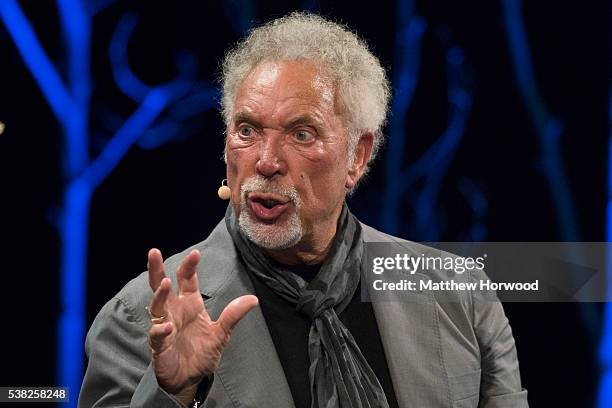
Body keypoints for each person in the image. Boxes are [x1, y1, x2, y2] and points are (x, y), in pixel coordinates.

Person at [78, 12, 528, 408]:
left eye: (302, 134)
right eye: (247, 130)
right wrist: (173, 396)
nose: (267, 161)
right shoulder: (139, 319)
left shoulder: (459, 295)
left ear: (357, 156)